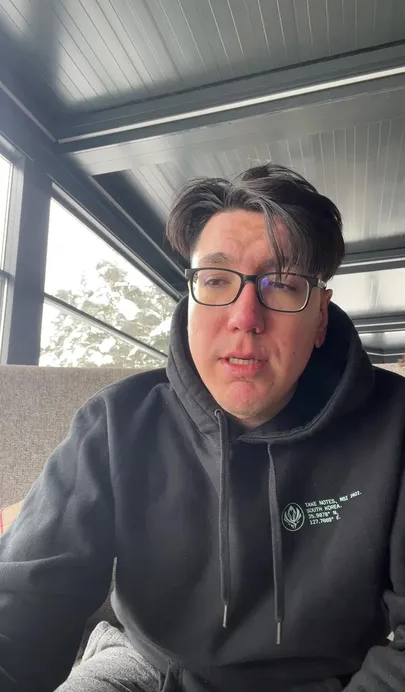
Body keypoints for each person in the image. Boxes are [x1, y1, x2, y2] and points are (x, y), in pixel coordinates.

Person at [0, 164, 405, 692]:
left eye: (282, 284)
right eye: (215, 280)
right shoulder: (116, 425)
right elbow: (24, 605)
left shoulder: (395, 425)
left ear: (321, 317)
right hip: (147, 667)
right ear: (190, 298)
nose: (245, 316)